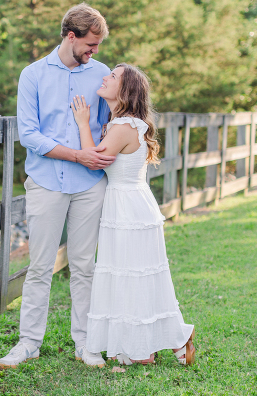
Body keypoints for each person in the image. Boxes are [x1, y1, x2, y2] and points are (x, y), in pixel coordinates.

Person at [0, 3, 116, 369]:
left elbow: (108, 125)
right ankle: (29, 343)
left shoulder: (102, 74)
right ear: (71, 35)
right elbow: (29, 135)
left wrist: (98, 155)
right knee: (39, 265)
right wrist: (76, 156)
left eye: (97, 46)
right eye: (90, 44)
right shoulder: (32, 75)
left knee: (84, 265)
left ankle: (85, 342)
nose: (94, 52)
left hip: (89, 185)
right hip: (47, 181)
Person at [70, 63, 196, 366]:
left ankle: (169, 339)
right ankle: (143, 345)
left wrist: (82, 123)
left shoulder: (122, 126)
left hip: (127, 206)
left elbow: (94, 161)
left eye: (112, 76)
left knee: (131, 274)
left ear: (124, 90)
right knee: (134, 275)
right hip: (132, 202)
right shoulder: (130, 124)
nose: (104, 77)